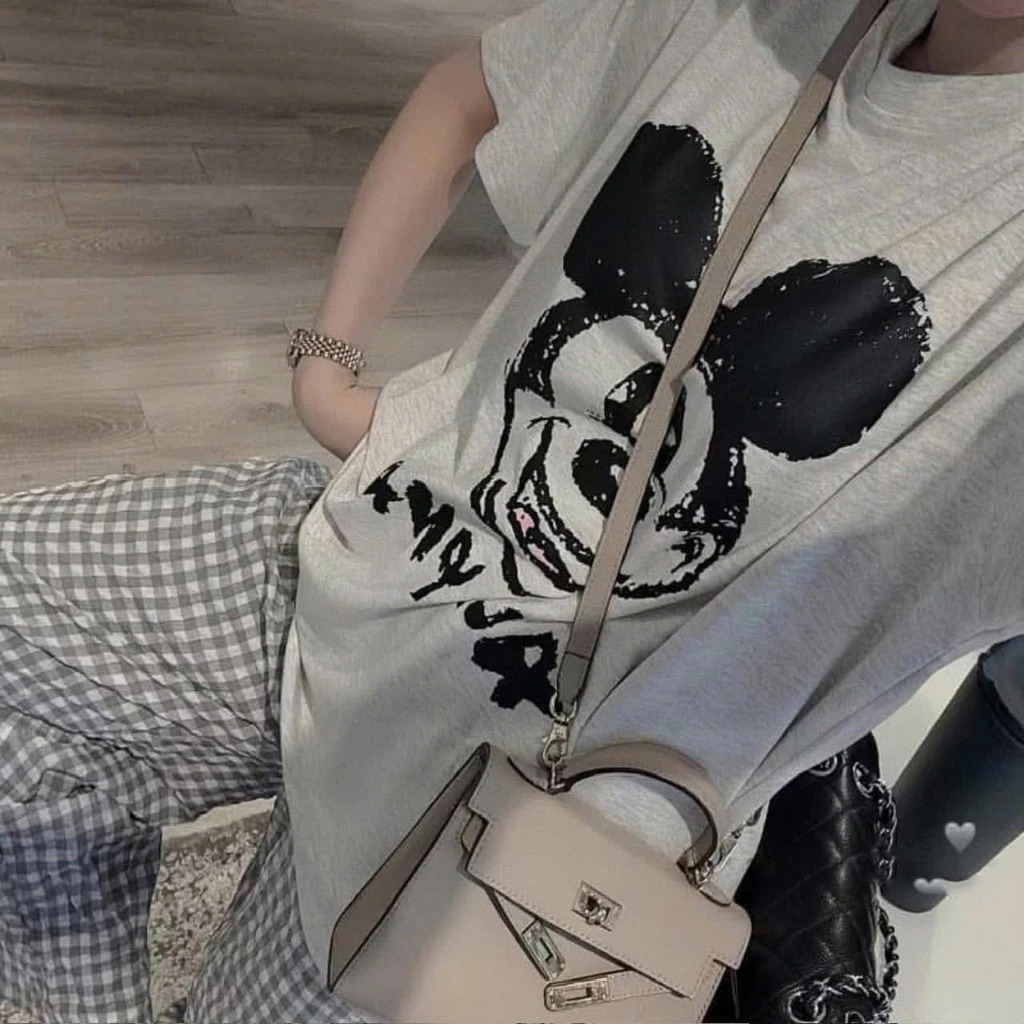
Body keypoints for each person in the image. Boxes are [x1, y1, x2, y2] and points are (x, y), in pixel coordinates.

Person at [1, 0, 1021, 1022]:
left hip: (518, 828)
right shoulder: (761, 17)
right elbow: (468, 91)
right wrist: (326, 368)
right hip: (366, 557)